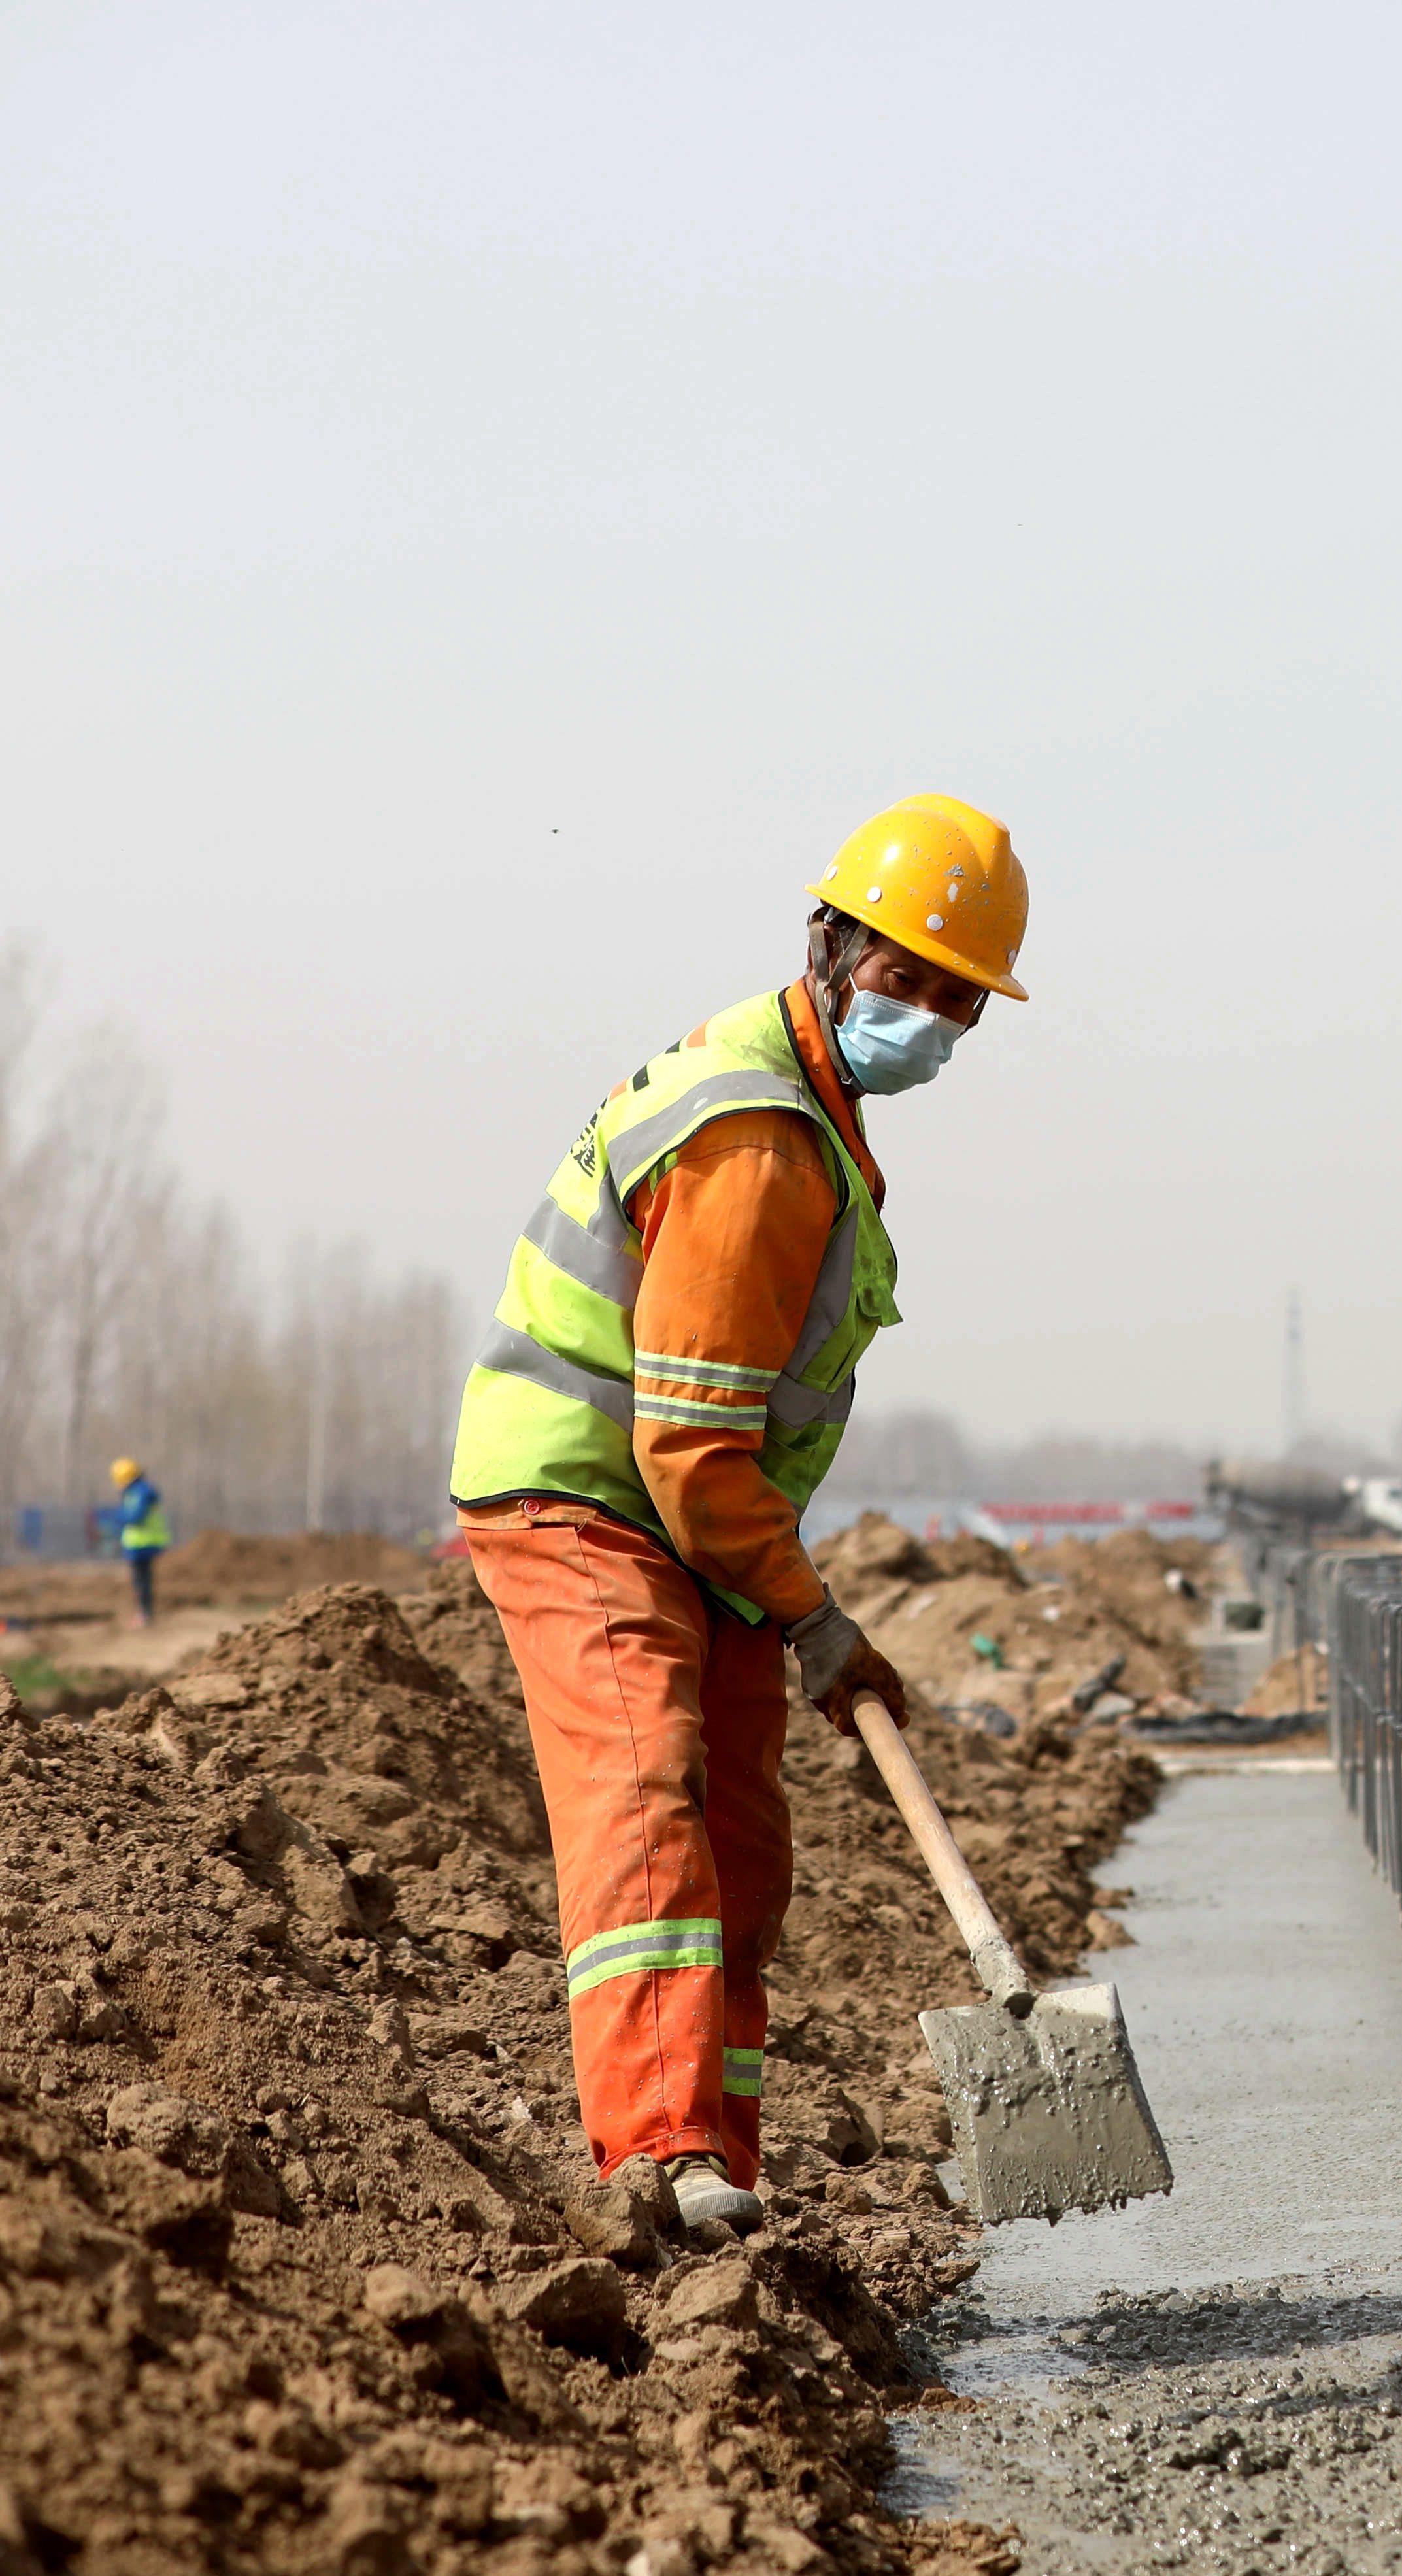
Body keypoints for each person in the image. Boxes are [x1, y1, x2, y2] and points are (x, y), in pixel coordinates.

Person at [448, 794, 1027, 2238]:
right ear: (829, 947)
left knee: (745, 1840)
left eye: (961, 996)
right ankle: (657, 2155)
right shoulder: (758, 1136)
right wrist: (818, 1617)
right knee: (650, 1793)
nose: (936, 1015)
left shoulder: (813, 1111)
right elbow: (696, 1444)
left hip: (691, 1520)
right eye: (909, 976)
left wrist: (798, 1615)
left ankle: (726, 2165)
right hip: (588, 1498)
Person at [108, 1457, 169, 1629]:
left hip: (143, 1544)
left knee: (142, 1581)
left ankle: (145, 1615)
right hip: (141, 1544)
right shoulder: (140, 1491)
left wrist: (119, 1516)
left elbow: (136, 1516)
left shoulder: (141, 1493)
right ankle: (144, 1613)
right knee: (142, 1580)